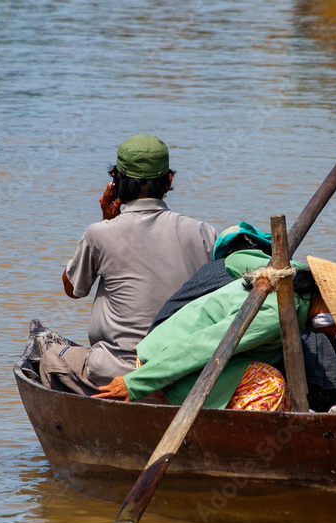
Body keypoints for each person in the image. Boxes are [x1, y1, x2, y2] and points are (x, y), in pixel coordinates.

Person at [93, 249, 336, 411]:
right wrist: (135, 384)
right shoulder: (278, 313)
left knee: (286, 393)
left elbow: (235, 260)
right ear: (328, 305)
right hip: (165, 363)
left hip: (175, 354)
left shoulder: (291, 273)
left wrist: (268, 267)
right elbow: (205, 346)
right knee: (271, 384)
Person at [40, 134, 219, 395]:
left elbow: (73, 288)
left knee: (49, 360)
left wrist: (105, 221)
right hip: (181, 372)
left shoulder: (100, 234)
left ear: (116, 184)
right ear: (168, 181)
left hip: (117, 370)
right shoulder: (206, 234)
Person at [150, 222, 336, 411]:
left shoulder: (285, 298)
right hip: (181, 367)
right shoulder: (250, 288)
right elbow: (205, 344)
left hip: (171, 361)